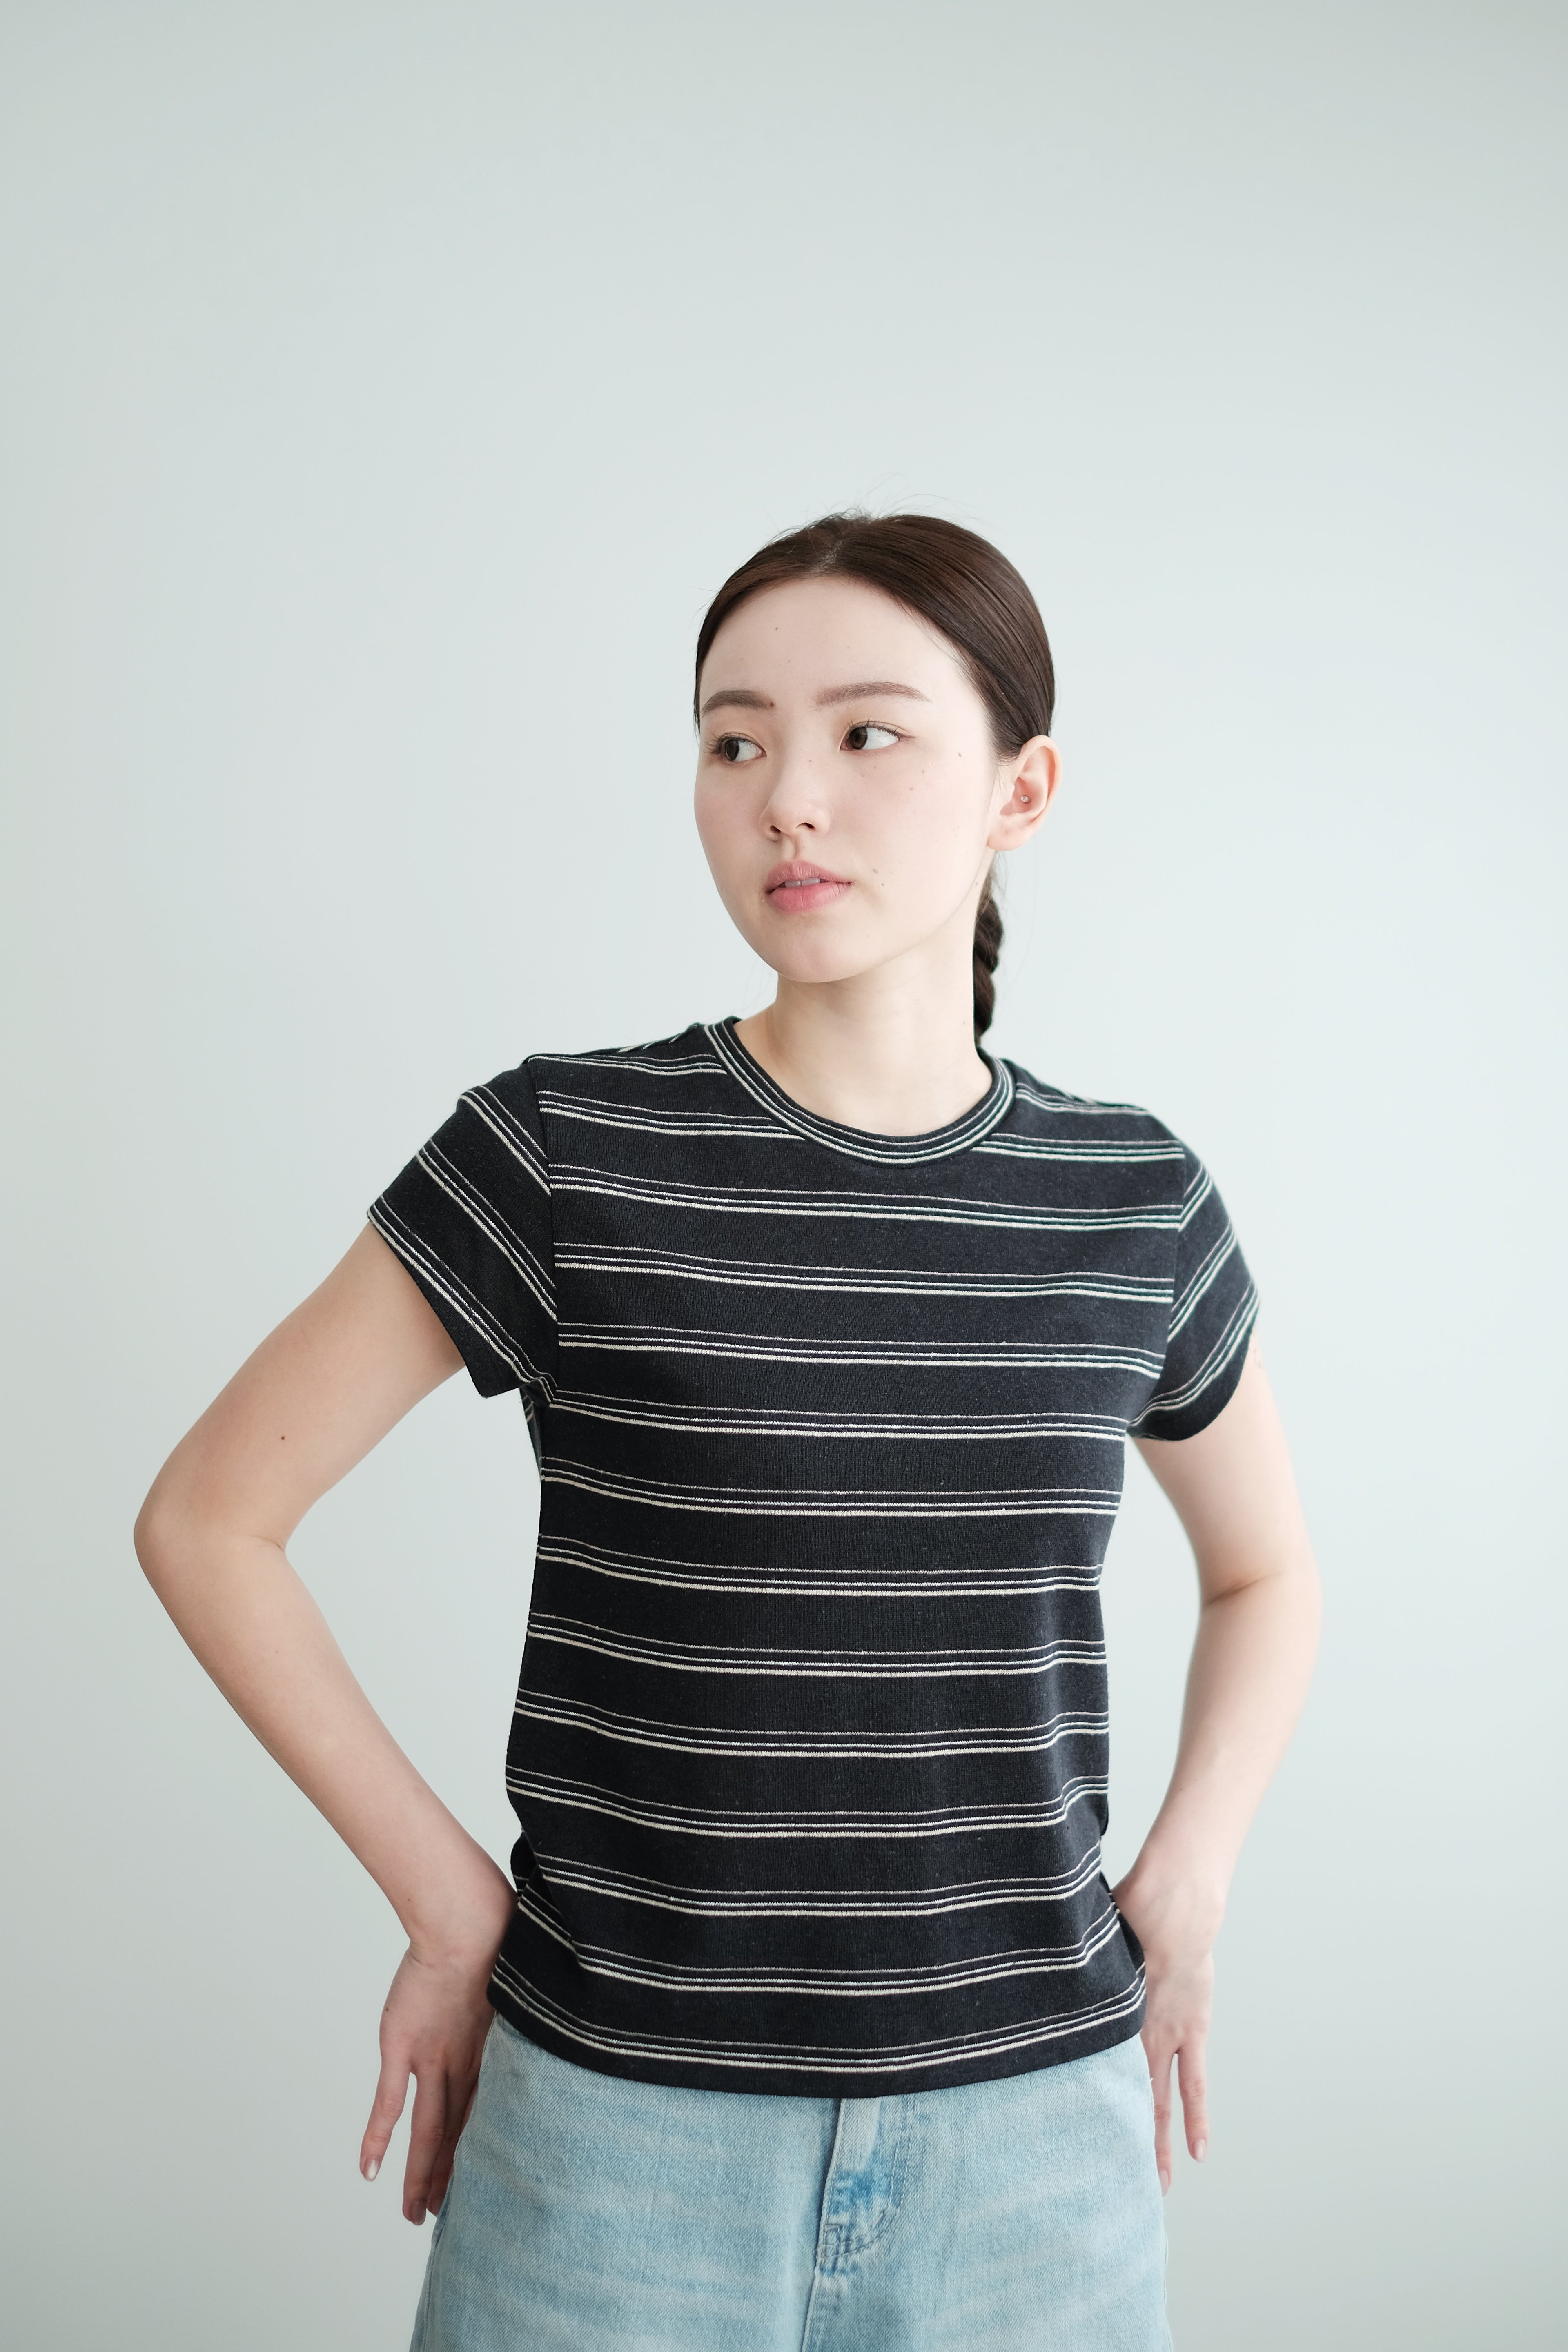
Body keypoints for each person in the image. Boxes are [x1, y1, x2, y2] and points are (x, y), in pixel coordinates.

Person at [135, 511, 1321, 2351]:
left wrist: (1198, 1866)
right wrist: (450, 1911)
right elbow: (210, 1521)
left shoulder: (1132, 1198)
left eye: (867, 733)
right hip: (615, 2143)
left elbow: (1266, 1573)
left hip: (1033, 2157)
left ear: (1021, 790)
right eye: (734, 740)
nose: (788, 799)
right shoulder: (561, 1151)